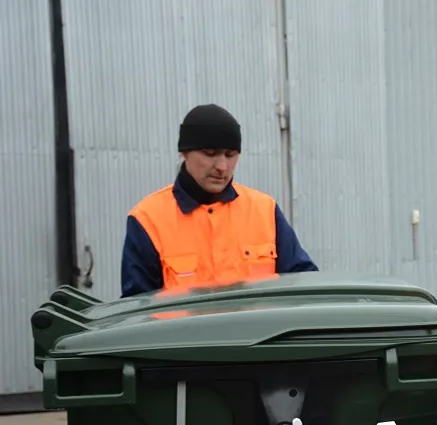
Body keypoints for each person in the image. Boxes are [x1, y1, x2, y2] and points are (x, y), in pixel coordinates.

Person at [120, 103, 318, 297]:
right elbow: (137, 308)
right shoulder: (148, 220)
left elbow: (303, 285)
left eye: (230, 155)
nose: (222, 166)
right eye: (210, 154)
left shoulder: (264, 210)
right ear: (184, 152)